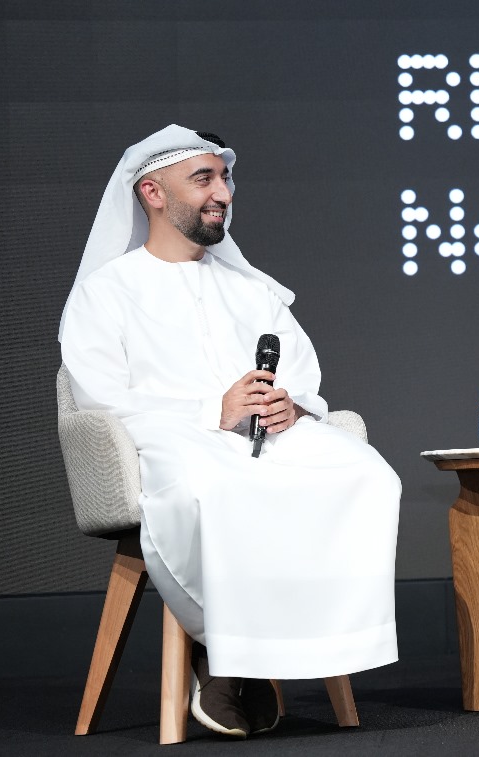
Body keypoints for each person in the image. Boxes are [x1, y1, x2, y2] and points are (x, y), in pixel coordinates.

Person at [59, 125, 402, 739]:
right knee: (216, 484)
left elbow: (301, 370)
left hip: (266, 436)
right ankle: (225, 652)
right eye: (204, 179)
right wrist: (208, 412)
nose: (223, 193)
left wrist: (290, 405)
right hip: (167, 438)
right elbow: (98, 396)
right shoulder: (106, 291)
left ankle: (291, 648)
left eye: (225, 178)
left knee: (366, 473)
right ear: (152, 193)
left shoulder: (250, 287)